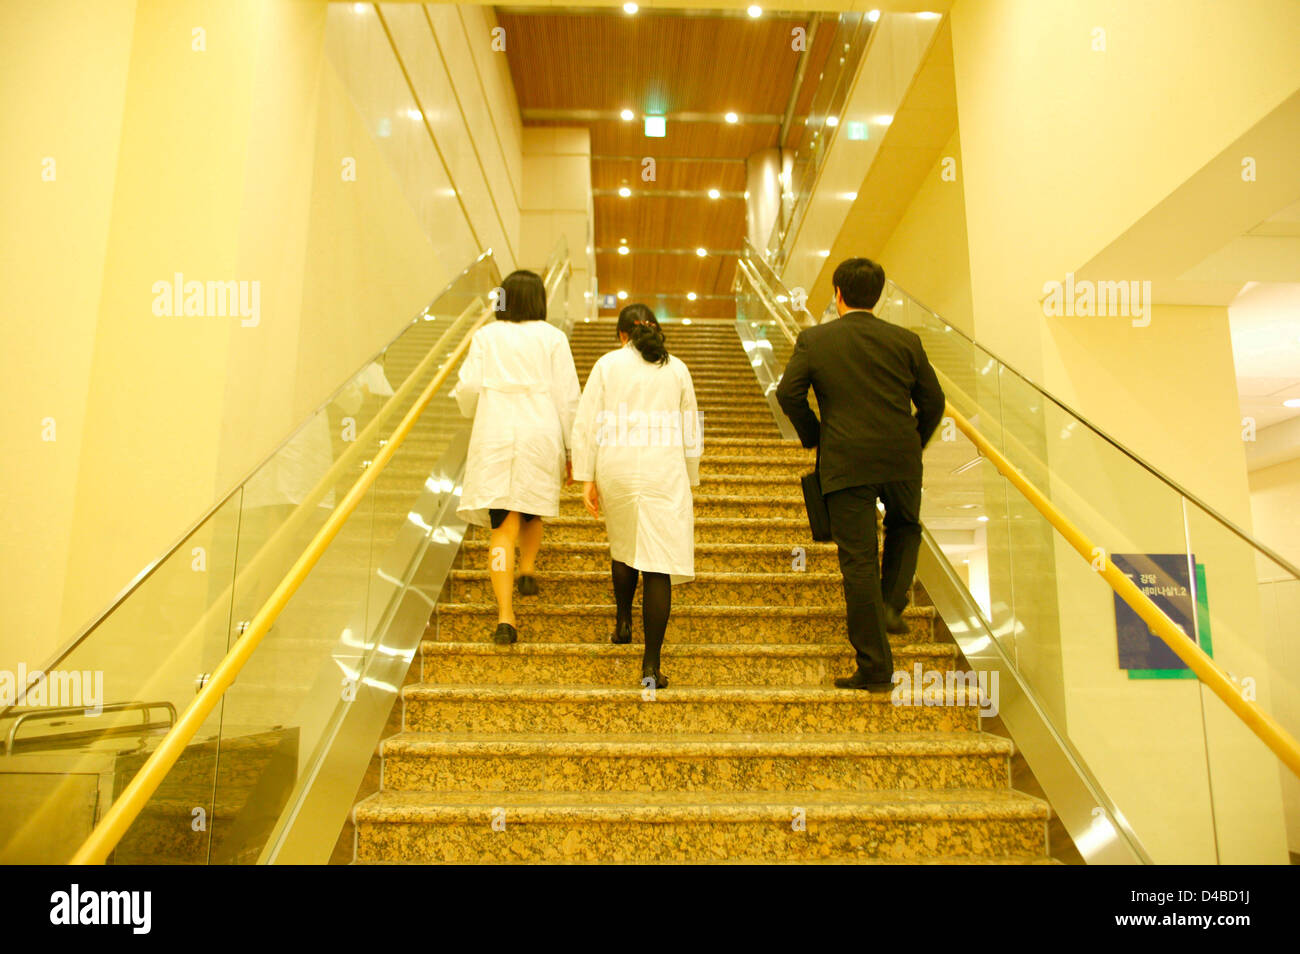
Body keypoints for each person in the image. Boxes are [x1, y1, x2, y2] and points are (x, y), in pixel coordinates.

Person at [776, 258, 945, 691]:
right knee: (906, 526)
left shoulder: (815, 340)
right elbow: (934, 401)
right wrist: (913, 442)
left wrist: (815, 436)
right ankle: (891, 604)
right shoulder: (906, 340)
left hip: (846, 462)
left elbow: (787, 393)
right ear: (879, 295)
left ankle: (875, 667)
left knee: (859, 561)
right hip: (901, 459)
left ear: (837, 293)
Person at [571, 304, 701, 689]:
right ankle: (651, 665)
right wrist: (690, 475)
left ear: (621, 334)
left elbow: (587, 421)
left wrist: (586, 477)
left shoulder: (607, 365)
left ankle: (623, 621)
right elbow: (690, 427)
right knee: (658, 563)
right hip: (664, 470)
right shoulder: (677, 369)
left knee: (624, 545)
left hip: (617, 468)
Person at [452, 269, 581, 644]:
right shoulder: (553, 338)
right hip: (540, 432)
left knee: (501, 529)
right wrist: (574, 450)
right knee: (531, 508)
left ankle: (505, 615)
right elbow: (568, 397)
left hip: (496, 433)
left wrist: (478, 402)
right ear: (540, 300)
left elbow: (469, 387)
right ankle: (527, 567)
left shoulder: (486, 337)